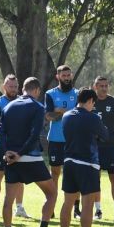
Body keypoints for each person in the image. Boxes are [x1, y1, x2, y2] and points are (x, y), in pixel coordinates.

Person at [0, 77, 59, 227]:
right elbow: (34, 135)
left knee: (8, 199)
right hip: (30, 157)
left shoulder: (8, 106)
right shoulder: (38, 107)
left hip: (11, 159)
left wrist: (7, 152)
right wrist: (20, 153)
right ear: (36, 90)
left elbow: (0, 132)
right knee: (52, 194)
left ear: (23, 89)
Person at [58, 89, 106, 227]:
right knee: (87, 205)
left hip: (69, 162)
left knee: (68, 203)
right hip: (88, 164)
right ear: (90, 101)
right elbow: (105, 135)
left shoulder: (66, 116)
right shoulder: (93, 117)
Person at [44, 65, 77, 215]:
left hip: (73, 140)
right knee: (55, 172)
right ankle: (51, 207)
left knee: (74, 174)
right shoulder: (50, 94)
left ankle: (76, 208)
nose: (67, 78)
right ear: (58, 77)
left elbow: (79, 114)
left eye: (68, 75)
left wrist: (60, 111)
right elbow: (49, 116)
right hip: (56, 139)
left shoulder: (77, 94)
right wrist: (64, 113)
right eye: (64, 75)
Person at [0, 75, 24, 219]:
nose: (14, 89)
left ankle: (20, 208)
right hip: (1, 146)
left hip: (19, 146)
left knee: (20, 177)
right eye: (11, 86)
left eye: (16, 86)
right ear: (4, 87)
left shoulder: (23, 101)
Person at [92, 76, 114, 221]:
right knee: (95, 179)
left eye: (106, 85)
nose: (104, 88)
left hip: (110, 148)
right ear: (95, 87)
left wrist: (111, 138)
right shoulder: (90, 103)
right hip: (94, 148)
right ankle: (98, 210)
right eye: (101, 86)